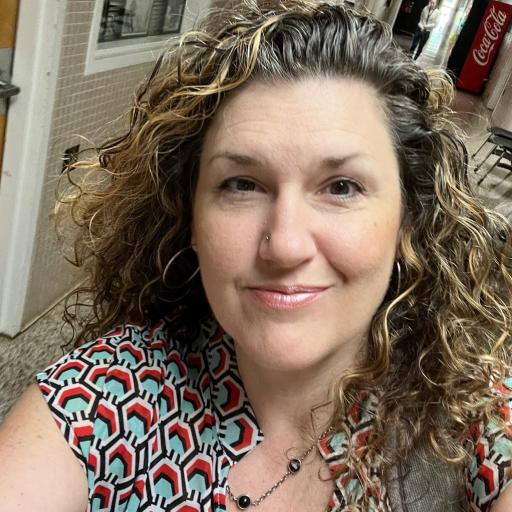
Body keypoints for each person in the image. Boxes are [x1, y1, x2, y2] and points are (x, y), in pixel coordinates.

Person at [1, 0, 511, 510]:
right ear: (191, 217)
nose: (285, 245)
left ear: (407, 219)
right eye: (242, 184)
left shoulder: (469, 404)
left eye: (341, 187)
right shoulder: (100, 405)